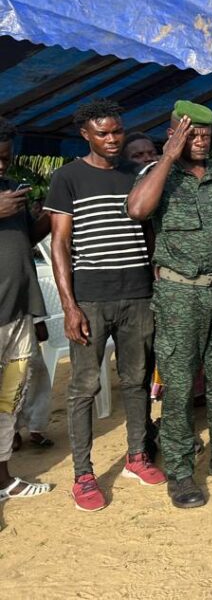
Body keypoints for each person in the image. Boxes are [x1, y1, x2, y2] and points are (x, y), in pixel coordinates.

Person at [126, 101, 212, 509]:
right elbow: (137, 210)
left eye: (206, 135)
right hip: (180, 295)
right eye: (192, 135)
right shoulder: (158, 175)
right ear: (174, 135)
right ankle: (181, 472)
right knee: (180, 384)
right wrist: (168, 158)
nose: (202, 142)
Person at [46, 100, 165, 512]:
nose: (113, 139)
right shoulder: (67, 177)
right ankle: (83, 474)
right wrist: (69, 305)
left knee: (136, 380)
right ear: (86, 135)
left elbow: (148, 233)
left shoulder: (136, 174)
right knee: (84, 387)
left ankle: (137, 456)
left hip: (138, 295)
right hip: (91, 298)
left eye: (117, 131)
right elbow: (59, 244)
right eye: (103, 133)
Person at [0, 116, 53, 504]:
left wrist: (50, 213)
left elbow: (25, 238)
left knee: (9, 399)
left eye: (6, 157)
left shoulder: (9, 190)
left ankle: (4, 480)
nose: (2, 165)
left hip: (17, 314)